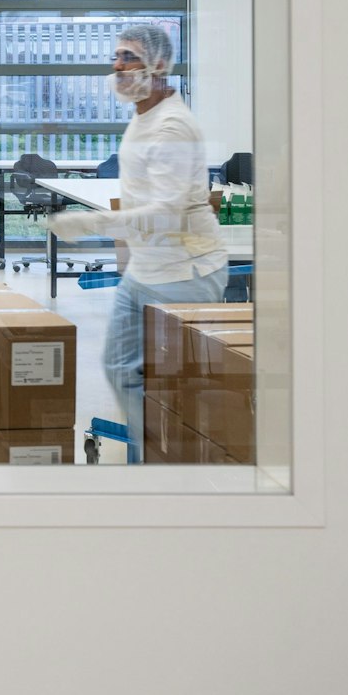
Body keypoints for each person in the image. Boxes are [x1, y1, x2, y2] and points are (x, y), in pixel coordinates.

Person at [47, 23, 227, 463]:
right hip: (147, 270)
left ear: (159, 64)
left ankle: (174, 459)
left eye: (129, 57)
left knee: (172, 382)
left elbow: (166, 213)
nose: (118, 66)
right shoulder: (144, 115)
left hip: (185, 272)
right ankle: (157, 453)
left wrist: (94, 223)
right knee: (117, 365)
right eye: (116, 57)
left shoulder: (173, 127)